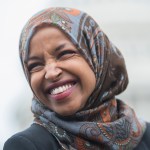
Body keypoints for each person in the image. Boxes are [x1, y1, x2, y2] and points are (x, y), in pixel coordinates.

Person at [3, 7, 150, 150]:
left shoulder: (146, 137)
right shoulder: (26, 145)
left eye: (64, 54)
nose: (51, 73)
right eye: (35, 65)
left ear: (97, 57)